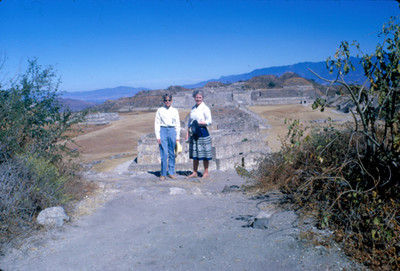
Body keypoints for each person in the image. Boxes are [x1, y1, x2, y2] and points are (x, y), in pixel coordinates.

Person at [185, 90, 212, 179]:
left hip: (202, 131)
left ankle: (206, 172)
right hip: (194, 132)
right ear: (194, 98)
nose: (198, 99)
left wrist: (199, 123)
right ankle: (195, 172)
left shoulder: (205, 108)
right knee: (195, 152)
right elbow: (190, 122)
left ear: (202, 98)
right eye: (196, 97)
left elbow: (209, 121)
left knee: (204, 152)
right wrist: (188, 132)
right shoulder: (193, 108)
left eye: (200, 97)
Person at [154, 93, 181, 181]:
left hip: (172, 130)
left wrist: (178, 136)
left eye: (169, 100)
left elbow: (177, 124)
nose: (167, 102)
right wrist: (158, 136)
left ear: (171, 101)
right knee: (164, 153)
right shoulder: (160, 110)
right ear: (163, 101)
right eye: (165, 100)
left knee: (172, 153)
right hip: (163, 130)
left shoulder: (175, 111)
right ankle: (163, 173)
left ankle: (171, 172)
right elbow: (157, 123)